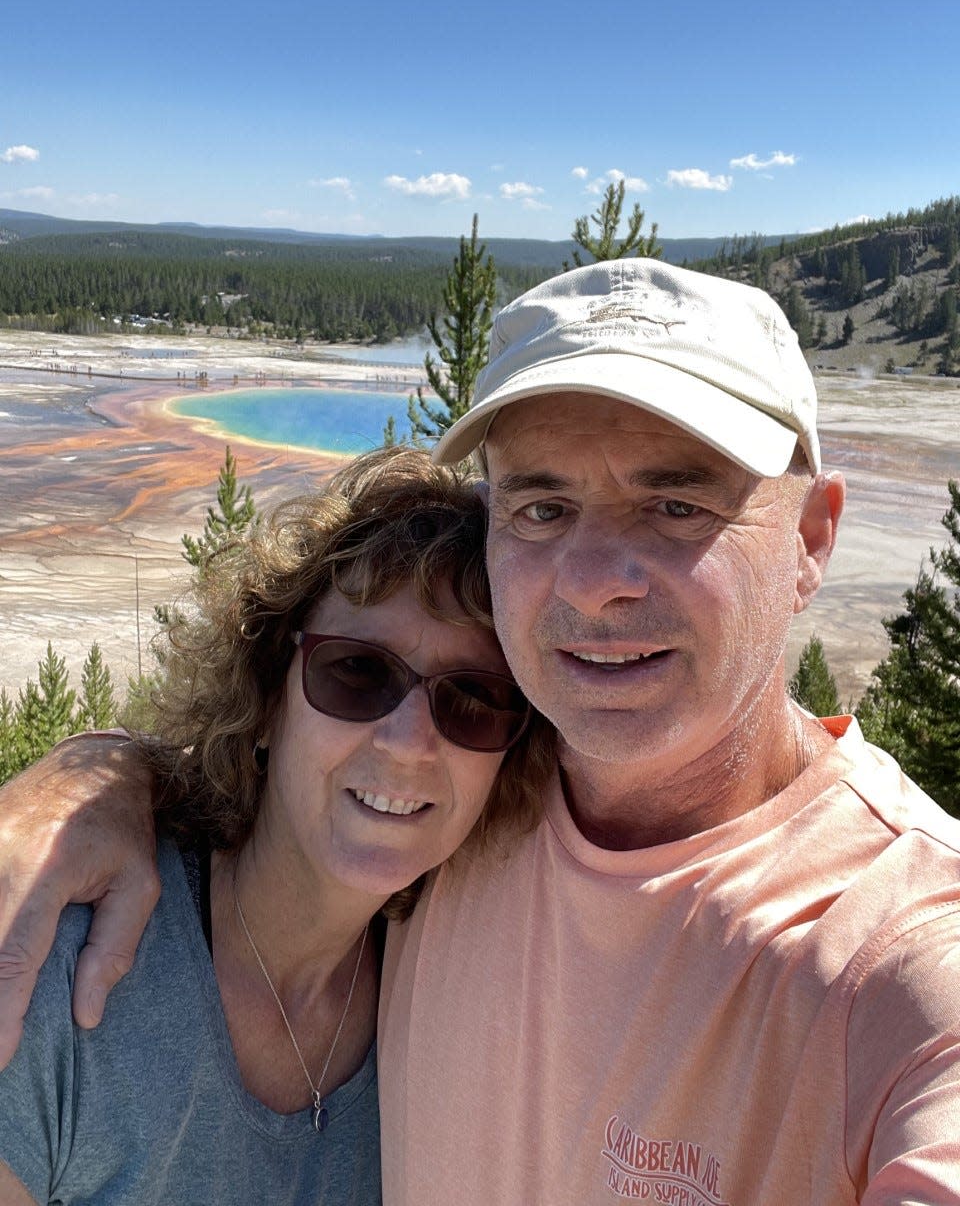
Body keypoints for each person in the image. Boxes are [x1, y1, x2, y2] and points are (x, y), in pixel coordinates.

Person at [1, 259, 959, 1203]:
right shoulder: (468, 816)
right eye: (543, 508)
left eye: (678, 505)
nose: (594, 579)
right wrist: (99, 776)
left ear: (813, 540)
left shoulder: (900, 950)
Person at [0, 446, 548, 1204]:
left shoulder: (454, 990)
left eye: (474, 699)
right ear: (266, 700)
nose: (408, 741)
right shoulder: (60, 962)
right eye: (356, 672)